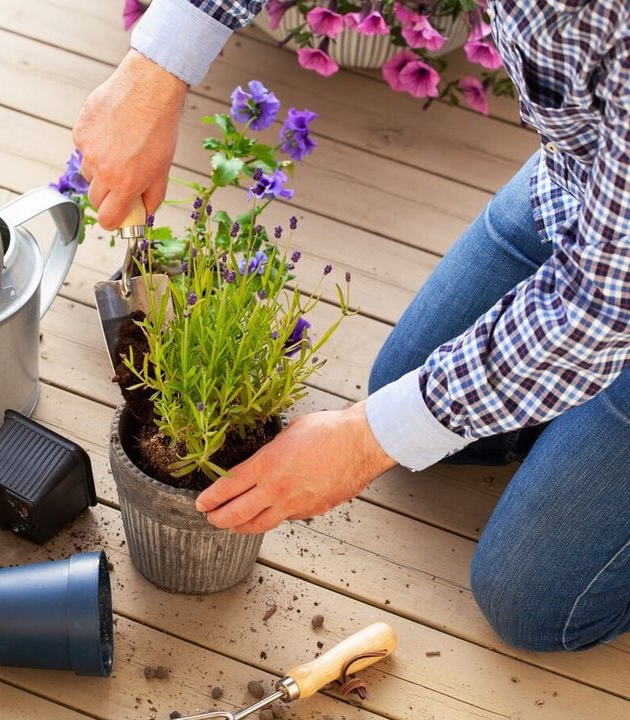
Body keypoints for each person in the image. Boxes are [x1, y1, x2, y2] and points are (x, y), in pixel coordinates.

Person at [73, 0, 630, 652]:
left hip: (608, 287)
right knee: (411, 392)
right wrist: (155, 71)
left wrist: (363, 441)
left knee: (530, 600)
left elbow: (595, 311)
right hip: (582, 179)